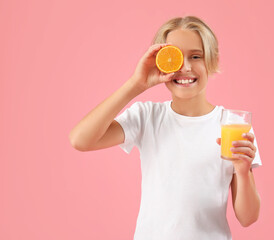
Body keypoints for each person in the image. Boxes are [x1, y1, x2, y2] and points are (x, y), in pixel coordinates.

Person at [69, 15, 262, 240]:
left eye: (196, 56)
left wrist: (242, 171)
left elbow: (248, 218)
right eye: (176, 57)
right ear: (160, 61)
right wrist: (136, 84)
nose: (186, 67)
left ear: (213, 61)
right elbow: (80, 140)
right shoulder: (147, 116)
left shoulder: (233, 125)